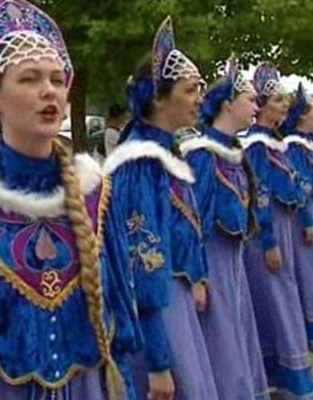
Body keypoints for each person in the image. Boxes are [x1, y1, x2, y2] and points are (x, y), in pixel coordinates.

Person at [0, 0, 139, 398]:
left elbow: (119, 321)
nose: (49, 91)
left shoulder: (97, 192)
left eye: (57, 79)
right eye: (30, 79)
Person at [103, 17, 218, 400]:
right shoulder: (139, 162)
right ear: (158, 98)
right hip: (158, 313)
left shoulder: (163, 150)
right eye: (190, 90)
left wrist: (197, 275)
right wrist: (158, 362)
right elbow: (143, 265)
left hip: (175, 300)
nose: (200, 98)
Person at [180, 58, 270, 399]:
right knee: (222, 338)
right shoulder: (203, 154)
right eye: (249, 98)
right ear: (228, 103)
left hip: (233, 261)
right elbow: (196, 218)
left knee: (238, 334)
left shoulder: (231, 151)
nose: (255, 106)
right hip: (212, 260)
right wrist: (199, 277)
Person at [239, 62, 313, 399]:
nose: (284, 106)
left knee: (281, 298)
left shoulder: (274, 140)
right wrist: (268, 240)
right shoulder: (256, 143)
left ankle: (285, 378)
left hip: (282, 227)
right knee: (275, 301)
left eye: (285, 100)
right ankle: (280, 379)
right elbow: (259, 193)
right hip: (266, 233)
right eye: (278, 100)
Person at [281, 83, 313, 353]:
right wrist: (309, 220)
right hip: (308, 212)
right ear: (302, 117)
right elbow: (301, 184)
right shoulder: (295, 147)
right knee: (311, 268)